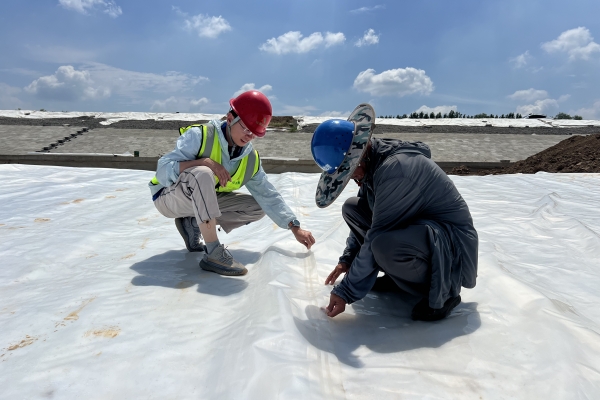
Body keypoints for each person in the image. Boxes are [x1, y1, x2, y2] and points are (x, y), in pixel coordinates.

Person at [310, 104, 478, 321]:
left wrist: (345, 292)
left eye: (349, 172)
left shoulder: (396, 170)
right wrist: (348, 260)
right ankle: (398, 278)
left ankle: (445, 293)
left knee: (382, 244)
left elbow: (375, 234)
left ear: (360, 155)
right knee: (352, 208)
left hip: (450, 249)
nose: (350, 178)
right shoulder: (374, 163)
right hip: (421, 232)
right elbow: (369, 217)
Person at [149, 90, 315, 276]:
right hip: (168, 198)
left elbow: (267, 194)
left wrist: (294, 227)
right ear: (230, 119)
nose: (249, 136)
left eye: (254, 133)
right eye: (246, 129)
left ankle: (192, 223)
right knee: (203, 173)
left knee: (258, 207)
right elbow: (162, 170)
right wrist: (204, 162)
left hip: (198, 203)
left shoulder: (249, 159)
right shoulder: (201, 136)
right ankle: (213, 252)